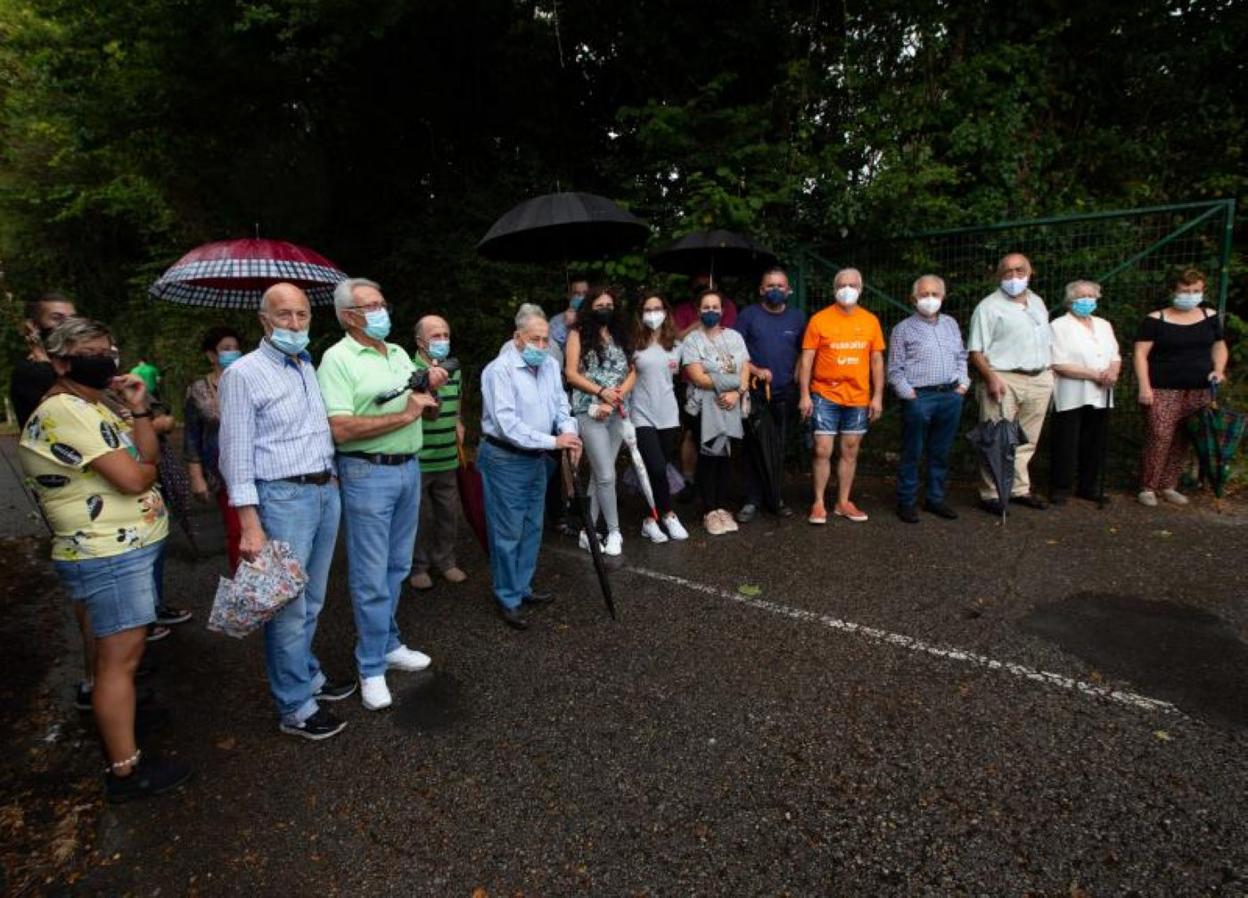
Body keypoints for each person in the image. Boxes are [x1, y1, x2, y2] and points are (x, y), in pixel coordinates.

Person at [19, 317, 191, 802]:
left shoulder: (95, 407)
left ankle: (127, 732)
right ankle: (125, 771)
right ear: (60, 361)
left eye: (107, 349)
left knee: (121, 654)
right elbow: (135, 478)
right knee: (119, 659)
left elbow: (146, 451)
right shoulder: (62, 412)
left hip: (125, 549)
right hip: (106, 552)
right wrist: (146, 466)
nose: (105, 358)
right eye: (90, 351)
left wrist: (137, 409)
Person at [219, 282, 354, 741]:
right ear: (264, 321)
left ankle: (308, 673)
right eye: (284, 316)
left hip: (323, 491)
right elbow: (235, 456)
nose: (295, 324)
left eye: (302, 315)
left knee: (312, 598)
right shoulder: (243, 374)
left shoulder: (305, 364)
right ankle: (295, 705)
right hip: (281, 499)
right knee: (288, 606)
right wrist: (249, 524)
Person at [317, 277, 444, 712]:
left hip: (408, 467)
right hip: (367, 472)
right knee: (370, 576)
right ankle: (370, 665)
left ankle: (388, 643)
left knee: (397, 566)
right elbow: (340, 428)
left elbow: (418, 407)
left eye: (382, 303)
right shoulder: (336, 359)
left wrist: (430, 393)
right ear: (348, 316)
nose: (380, 312)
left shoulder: (395, 354)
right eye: (370, 306)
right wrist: (407, 412)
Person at [479, 304, 581, 630]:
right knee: (507, 531)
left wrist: (569, 432)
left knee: (532, 527)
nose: (541, 346)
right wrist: (554, 443)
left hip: (537, 458)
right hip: (505, 458)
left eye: (544, 339)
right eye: (534, 340)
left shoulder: (550, 364)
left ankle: (522, 587)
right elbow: (507, 423)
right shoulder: (499, 371)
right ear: (517, 337)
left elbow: (561, 405)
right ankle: (507, 596)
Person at [1133, 267, 1228, 506]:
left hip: (1200, 388)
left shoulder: (1209, 316)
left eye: (1196, 290)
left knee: (1185, 437)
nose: (1191, 295)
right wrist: (1145, 387)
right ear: (1173, 291)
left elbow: (1219, 346)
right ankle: (1148, 486)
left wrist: (1219, 369)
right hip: (1163, 387)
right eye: (1185, 290)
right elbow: (1140, 354)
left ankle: (1169, 484)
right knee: (1160, 435)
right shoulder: (1155, 319)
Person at [967, 252, 1053, 514]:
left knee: (1028, 440)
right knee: (997, 439)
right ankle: (992, 493)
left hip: (1038, 377)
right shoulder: (988, 307)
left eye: (1019, 270)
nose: (1014, 277)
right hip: (1003, 377)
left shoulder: (1037, 302)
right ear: (999, 276)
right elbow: (975, 350)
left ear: (1030, 272)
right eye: (1007, 272)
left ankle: (1017, 488)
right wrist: (990, 377)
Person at [799, 268, 885, 524]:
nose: (847, 289)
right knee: (822, 450)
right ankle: (818, 503)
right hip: (824, 394)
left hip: (858, 397)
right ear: (834, 288)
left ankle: (843, 502)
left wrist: (878, 396)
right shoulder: (819, 320)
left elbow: (877, 360)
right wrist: (804, 394)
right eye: (842, 284)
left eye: (852, 284)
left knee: (850, 451)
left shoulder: (870, 321)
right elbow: (807, 359)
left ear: (861, 288)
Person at [887, 275, 969, 522]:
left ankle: (935, 498)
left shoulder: (951, 324)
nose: (929, 299)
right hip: (919, 397)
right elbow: (894, 369)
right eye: (924, 294)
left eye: (935, 294)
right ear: (914, 299)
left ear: (943, 297)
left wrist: (963, 384)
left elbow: (961, 356)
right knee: (913, 451)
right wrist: (909, 395)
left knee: (940, 451)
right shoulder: (902, 329)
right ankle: (907, 502)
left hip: (950, 395)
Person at [565, 285, 635, 556]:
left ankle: (588, 531)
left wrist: (617, 396)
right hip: (590, 410)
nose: (605, 309)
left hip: (617, 410)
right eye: (599, 306)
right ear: (589, 308)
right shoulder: (578, 334)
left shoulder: (620, 334)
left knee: (599, 473)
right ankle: (614, 531)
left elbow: (633, 371)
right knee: (607, 475)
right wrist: (601, 392)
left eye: (609, 305)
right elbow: (571, 374)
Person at [734, 267, 805, 521]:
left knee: (779, 447)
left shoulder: (797, 318)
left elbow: (804, 352)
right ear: (761, 290)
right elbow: (736, 353)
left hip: (785, 392)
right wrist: (755, 370)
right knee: (754, 447)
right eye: (770, 286)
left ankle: (775, 497)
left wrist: (798, 373)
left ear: (788, 290)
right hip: (754, 393)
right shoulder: (748, 316)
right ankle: (752, 500)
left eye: (780, 286)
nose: (775, 290)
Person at [681, 289, 749, 535]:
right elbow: (698, 377)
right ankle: (709, 510)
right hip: (702, 408)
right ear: (699, 311)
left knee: (725, 457)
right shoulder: (692, 341)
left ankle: (722, 508)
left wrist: (737, 391)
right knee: (708, 457)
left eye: (715, 307)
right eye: (706, 307)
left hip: (730, 405)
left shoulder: (735, 337)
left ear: (723, 310)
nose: (711, 311)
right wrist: (732, 381)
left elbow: (744, 369)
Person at [408, 314, 467, 590]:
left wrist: (458, 421)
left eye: (445, 335)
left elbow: (457, 403)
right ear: (420, 341)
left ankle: (445, 561)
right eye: (436, 336)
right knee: (417, 517)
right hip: (418, 459)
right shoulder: (408, 369)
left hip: (447, 457)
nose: (442, 341)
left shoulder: (454, 368)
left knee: (448, 513)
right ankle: (418, 566)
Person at [1048, 280, 1121, 504]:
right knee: (1066, 442)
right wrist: (1095, 375)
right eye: (1082, 296)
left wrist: (1112, 372)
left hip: (1101, 392)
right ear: (1070, 301)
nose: (1087, 300)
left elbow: (1115, 355)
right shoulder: (1059, 326)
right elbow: (1058, 363)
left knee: (1095, 441)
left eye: (1091, 295)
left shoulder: (1104, 324)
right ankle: (1060, 487)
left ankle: (1088, 486)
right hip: (1071, 392)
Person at [629, 294, 689, 541]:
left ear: (666, 311)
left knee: (659, 469)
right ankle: (668, 513)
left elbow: (688, 375)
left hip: (669, 415)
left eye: (657, 308)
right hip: (641, 414)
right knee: (654, 466)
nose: (652, 314)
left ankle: (649, 519)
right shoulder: (633, 345)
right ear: (640, 314)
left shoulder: (677, 346)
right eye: (647, 309)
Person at [184, 326, 245, 571]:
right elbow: (191, 436)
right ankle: (245, 587)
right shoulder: (198, 390)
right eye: (225, 349)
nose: (232, 353)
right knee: (237, 531)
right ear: (211, 355)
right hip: (223, 472)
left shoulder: (249, 380)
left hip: (260, 466)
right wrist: (196, 477)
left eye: (236, 348)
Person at [672, 274, 736, 496]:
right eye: (698, 285)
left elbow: (736, 359)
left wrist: (734, 385)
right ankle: (692, 482)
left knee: (722, 440)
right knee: (694, 435)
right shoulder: (683, 311)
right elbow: (678, 338)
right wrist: (699, 321)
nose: (712, 310)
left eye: (715, 307)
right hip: (693, 389)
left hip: (726, 393)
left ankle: (719, 494)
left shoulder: (730, 317)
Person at [10, 290, 76, 428]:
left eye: (73, 319)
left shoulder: (72, 363)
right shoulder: (32, 371)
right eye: (57, 318)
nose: (69, 325)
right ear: (33, 325)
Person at [548, 276, 589, 353]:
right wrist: (565, 324)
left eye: (585, 293)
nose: (582, 297)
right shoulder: (556, 320)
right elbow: (550, 346)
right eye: (577, 293)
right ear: (569, 295)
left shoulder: (596, 317)